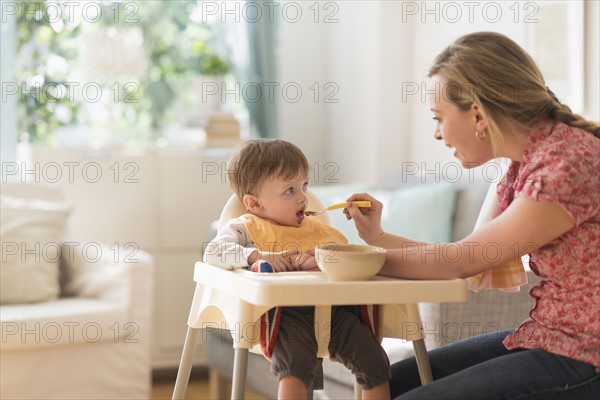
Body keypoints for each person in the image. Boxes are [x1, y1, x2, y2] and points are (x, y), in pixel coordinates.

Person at [345, 32, 600, 400]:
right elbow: (469, 258)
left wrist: (346, 261)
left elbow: (460, 263)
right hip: (549, 336)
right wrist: (378, 239)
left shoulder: (563, 164)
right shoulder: (520, 164)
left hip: (584, 355)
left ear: (478, 113)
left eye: (438, 118)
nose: (437, 133)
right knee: (387, 381)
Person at [204, 139, 391, 400]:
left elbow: (349, 263)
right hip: (283, 317)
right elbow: (213, 253)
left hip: (335, 314)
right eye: (289, 190)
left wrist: (323, 260)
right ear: (255, 203)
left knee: (374, 361)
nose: (303, 197)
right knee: (295, 365)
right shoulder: (246, 227)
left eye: (304, 185)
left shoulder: (321, 231)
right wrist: (257, 254)